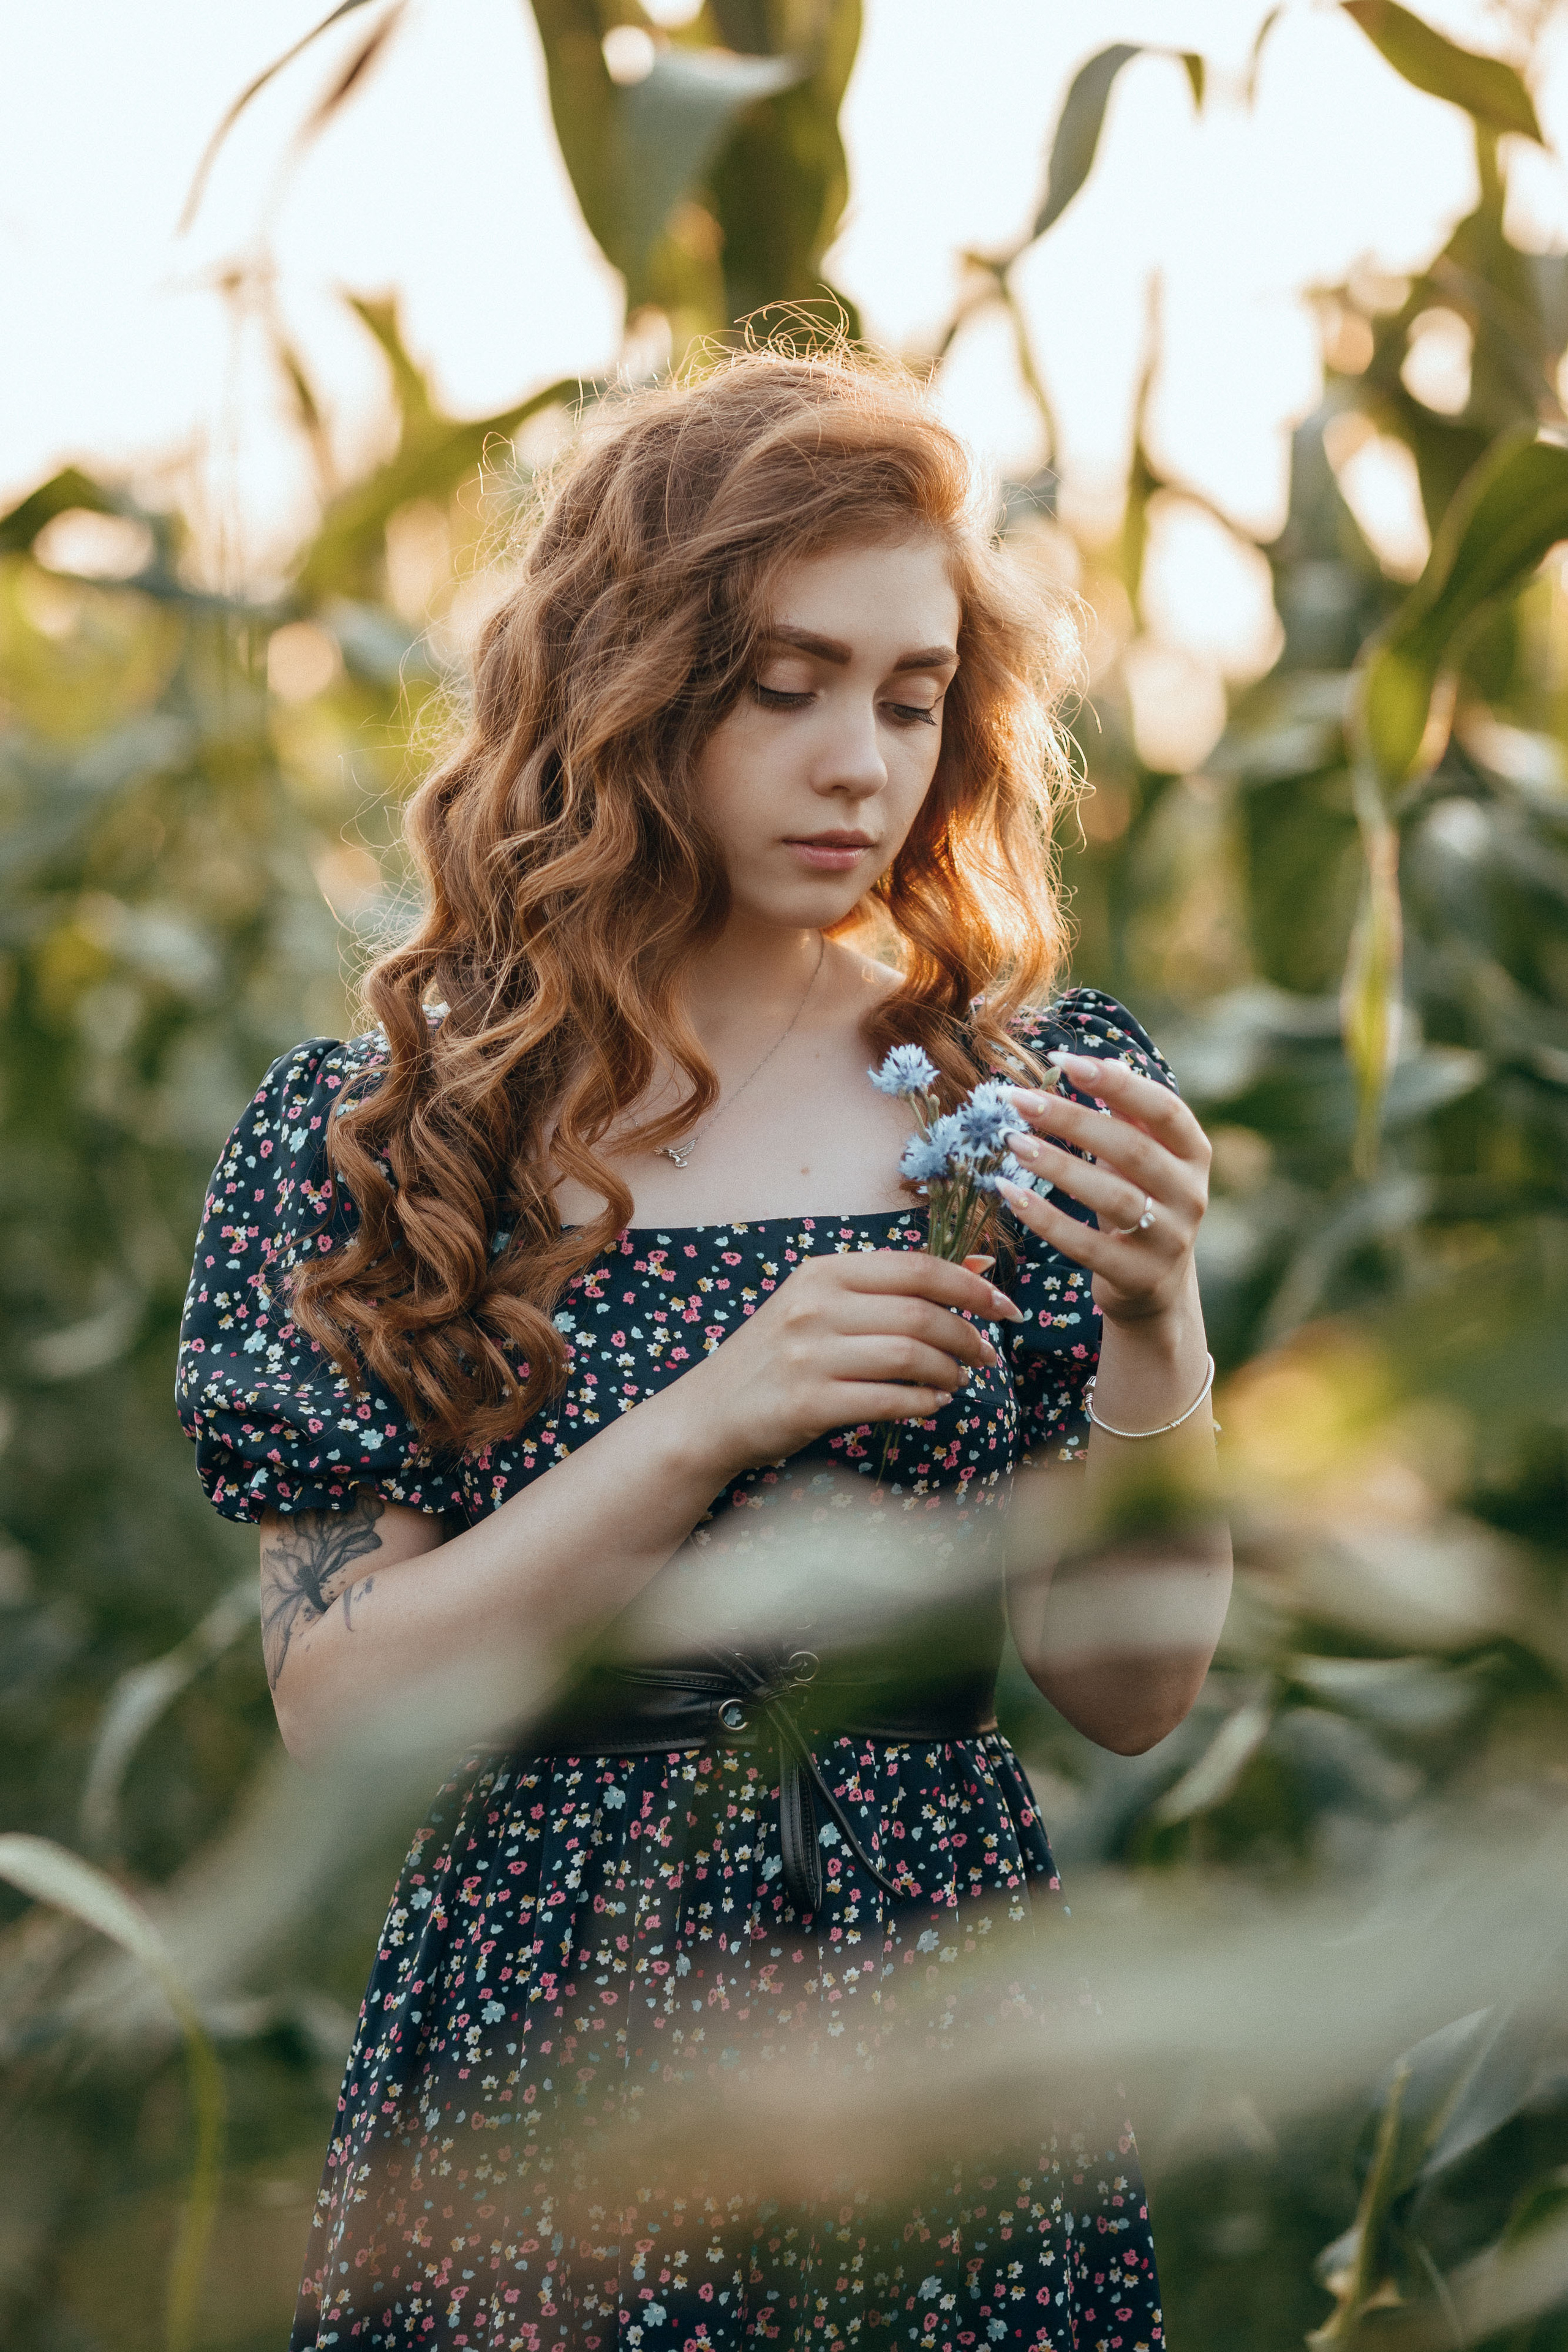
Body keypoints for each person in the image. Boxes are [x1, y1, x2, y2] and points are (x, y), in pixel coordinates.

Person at [178, 346, 1229, 2352]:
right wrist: (711, 1416)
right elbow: (340, 1698)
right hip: (548, 2033)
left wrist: (1153, 1322)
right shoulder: (393, 1139)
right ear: (630, 687)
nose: (861, 762)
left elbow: (1125, 1690)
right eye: (787, 686)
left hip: (937, 2016)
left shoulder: (1023, 1105)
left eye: (913, 700)